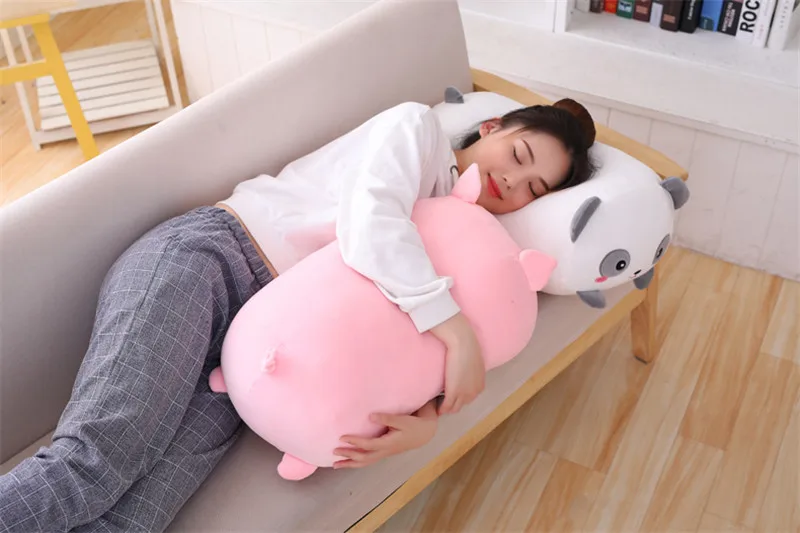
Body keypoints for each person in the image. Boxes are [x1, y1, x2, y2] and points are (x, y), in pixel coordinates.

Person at [0, 97, 596, 533]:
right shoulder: (418, 131)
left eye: (534, 189)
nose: (512, 181)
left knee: (134, 520)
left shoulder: (465, 235)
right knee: (93, 467)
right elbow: (372, 226)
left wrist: (426, 420)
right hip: (213, 263)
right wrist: (459, 334)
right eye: (518, 154)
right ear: (491, 127)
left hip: (256, 358)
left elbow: (402, 348)